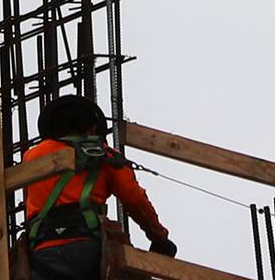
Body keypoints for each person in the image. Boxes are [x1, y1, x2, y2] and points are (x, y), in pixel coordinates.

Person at [18, 93, 173, 278]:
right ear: (91, 128)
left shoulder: (32, 156)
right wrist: (160, 238)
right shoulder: (105, 155)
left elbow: (30, 205)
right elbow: (133, 198)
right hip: (86, 250)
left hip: (41, 255)